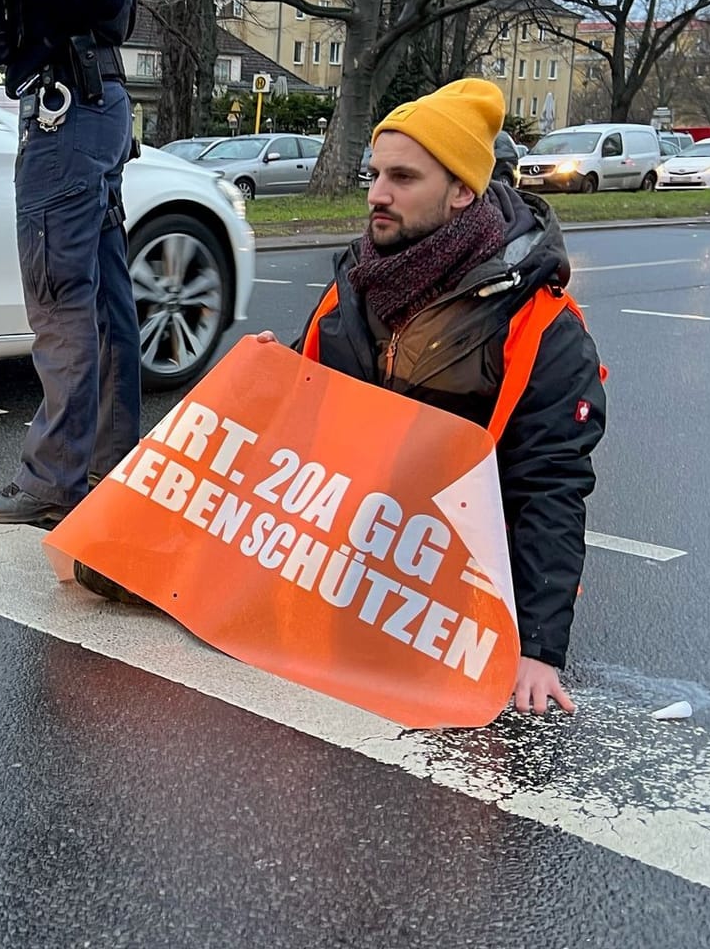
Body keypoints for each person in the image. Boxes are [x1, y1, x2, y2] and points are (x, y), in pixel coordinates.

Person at [260, 77, 607, 715]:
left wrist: (535, 650)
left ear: (461, 192)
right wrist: (266, 376)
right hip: (340, 562)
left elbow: (550, 486)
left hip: (446, 592)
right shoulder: (354, 288)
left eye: (403, 178)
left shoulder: (538, 324)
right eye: (374, 174)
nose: (378, 195)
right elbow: (300, 419)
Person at [0, 0, 144, 528]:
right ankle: (107, 467)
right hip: (90, 101)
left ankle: (55, 478)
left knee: (59, 296)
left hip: (65, 107)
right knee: (100, 299)